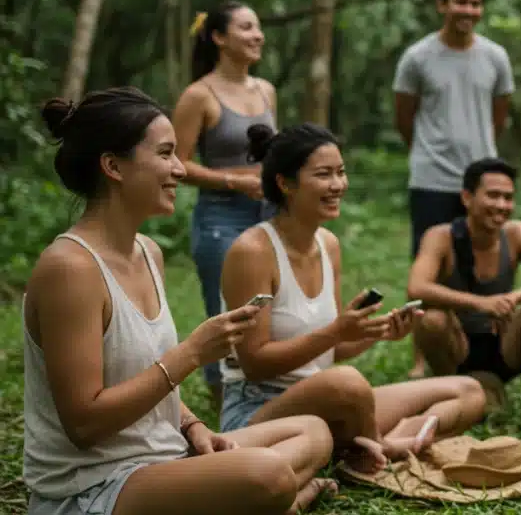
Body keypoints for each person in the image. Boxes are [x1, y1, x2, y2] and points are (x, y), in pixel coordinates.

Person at [23, 87, 336, 515]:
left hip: (163, 456)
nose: (179, 169)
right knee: (271, 475)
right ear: (113, 165)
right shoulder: (70, 270)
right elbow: (84, 423)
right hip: (93, 487)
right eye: (166, 154)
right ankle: (282, 501)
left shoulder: (148, 253)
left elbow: (139, 373)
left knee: (313, 431)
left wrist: (192, 425)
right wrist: (192, 353)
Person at [218, 122, 488, 472]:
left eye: (341, 173)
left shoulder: (327, 245)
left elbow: (331, 349)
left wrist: (376, 334)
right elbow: (254, 363)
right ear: (285, 184)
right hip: (260, 412)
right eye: (324, 174)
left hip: (329, 400)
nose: (338, 185)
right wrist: (336, 332)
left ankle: (375, 443)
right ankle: (380, 443)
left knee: (468, 391)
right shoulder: (252, 252)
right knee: (346, 383)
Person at [393, 0, 515, 378]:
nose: (468, 10)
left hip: (482, 181)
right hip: (431, 177)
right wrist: (427, 152)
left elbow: (499, 114)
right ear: (442, 5)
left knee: (479, 261)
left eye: (475, 3)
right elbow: (404, 117)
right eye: (460, 1)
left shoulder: (495, 57)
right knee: (427, 265)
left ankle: (478, 345)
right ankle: (422, 355)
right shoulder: (417, 57)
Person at [171, 0, 277, 408]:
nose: (257, 36)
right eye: (247, 28)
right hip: (220, 219)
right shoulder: (199, 95)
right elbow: (176, 163)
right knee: (224, 313)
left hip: (268, 216)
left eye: (258, 28)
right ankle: (222, 400)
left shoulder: (266, 90)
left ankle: (264, 390)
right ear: (218, 37)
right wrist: (233, 180)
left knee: (268, 307)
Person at [407, 158, 521, 421]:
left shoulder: (515, 233)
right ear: (467, 198)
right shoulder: (440, 236)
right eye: (493, 196)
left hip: (505, 345)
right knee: (432, 319)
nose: (502, 206)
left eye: (508, 198)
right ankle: (451, 395)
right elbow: (417, 287)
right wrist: (480, 303)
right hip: (456, 346)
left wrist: (512, 298)